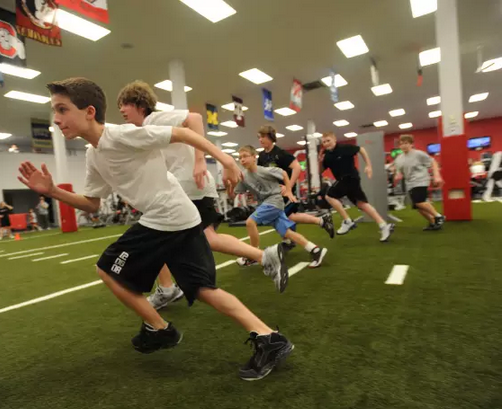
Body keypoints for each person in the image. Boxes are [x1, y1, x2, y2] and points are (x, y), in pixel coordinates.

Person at [17, 77, 293, 381]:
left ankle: (159, 329)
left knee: (107, 269)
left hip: (167, 216)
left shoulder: (122, 135)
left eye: (62, 109)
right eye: (55, 111)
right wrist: (53, 191)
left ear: (89, 112)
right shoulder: (93, 154)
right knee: (203, 289)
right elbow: (92, 204)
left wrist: (226, 160)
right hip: (181, 216)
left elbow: (183, 132)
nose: (56, 119)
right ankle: (269, 338)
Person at [117, 81, 288, 308]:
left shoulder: (153, 119)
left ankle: (167, 289)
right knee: (207, 237)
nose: (121, 110)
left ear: (140, 105)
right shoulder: (147, 130)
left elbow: (195, 119)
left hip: (189, 185)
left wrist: (200, 160)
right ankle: (265, 256)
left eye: (125, 104)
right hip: (191, 186)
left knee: (156, 234)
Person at [232, 145, 327, 269]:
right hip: (267, 204)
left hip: (274, 202)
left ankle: (253, 255)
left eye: (245, 156)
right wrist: (232, 181)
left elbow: (283, 173)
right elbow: (235, 192)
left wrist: (288, 190)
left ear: (254, 157)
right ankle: (315, 250)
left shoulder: (264, 171)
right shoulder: (244, 176)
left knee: (250, 222)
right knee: (287, 233)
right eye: (240, 157)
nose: (242, 159)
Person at [257, 125, 335, 247]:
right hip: (274, 192)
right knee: (288, 216)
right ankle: (320, 222)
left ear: (271, 137)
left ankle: (292, 239)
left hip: (285, 192)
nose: (260, 139)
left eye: (263, 137)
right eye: (259, 137)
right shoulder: (261, 156)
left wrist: (288, 187)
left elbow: (297, 168)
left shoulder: (280, 153)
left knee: (281, 215)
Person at [320, 132, 395, 242]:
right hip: (345, 180)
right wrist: (320, 161)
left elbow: (361, 149)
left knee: (329, 196)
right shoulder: (326, 155)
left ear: (334, 139)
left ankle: (347, 221)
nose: (326, 143)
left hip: (350, 178)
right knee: (362, 204)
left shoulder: (344, 148)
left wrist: (368, 165)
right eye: (324, 142)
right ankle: (384, 226)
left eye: (328, 140)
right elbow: (321, 171)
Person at [393, 135, 445, 230]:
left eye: (406, 143)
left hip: (421, 180)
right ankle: (433, 223)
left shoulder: (419, 154)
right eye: (401, 144)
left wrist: (437, 176)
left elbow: (433, 162)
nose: (404, 146)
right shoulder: (399, 158)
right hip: (410, 183)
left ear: (411, 144)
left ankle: (438, 216)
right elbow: (399, 171)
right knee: (419, 207)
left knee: (419, 202)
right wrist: (398, 175)